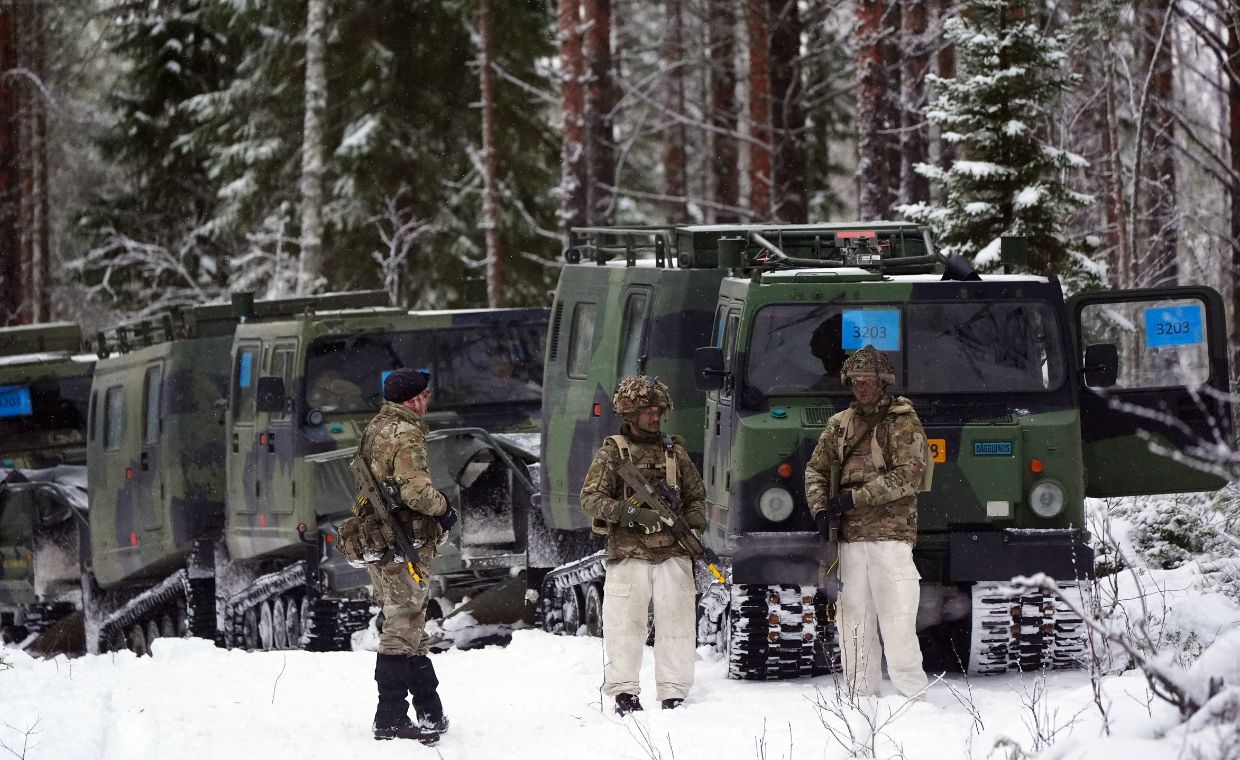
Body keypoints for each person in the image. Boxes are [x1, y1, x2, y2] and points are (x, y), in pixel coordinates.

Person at [804, 345, 930, 699]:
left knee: (898, 621)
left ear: (882, 382)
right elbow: (815, 469)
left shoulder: (901, 420)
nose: (862, 388)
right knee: (853, 625)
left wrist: (856, 497)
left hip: (890, 536)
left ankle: (913, 699)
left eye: (869, 381)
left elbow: (910, 473)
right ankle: (859, 698)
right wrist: (820, 510)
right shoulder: (839, 425)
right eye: (856, 381)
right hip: (848, 539)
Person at [580, 375, 707, 715]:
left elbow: (696, 498)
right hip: (628, 554)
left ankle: (674, 692)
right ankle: (624, 693)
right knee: (624, 625)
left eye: (659, 410)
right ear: (629, 412)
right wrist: (631, 514)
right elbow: (590, 499)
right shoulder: (612, 454)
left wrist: (690, 524)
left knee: (678, 626)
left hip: (673, 553)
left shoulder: (675, 453)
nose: (655, 416)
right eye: (647, 410)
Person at [356, 368, 459, 743]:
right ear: (415, 399)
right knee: (402, 627)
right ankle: (390, 717)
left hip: (380, 541)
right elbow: (415, 491)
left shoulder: (375, 428)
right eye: (425, 395)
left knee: (410, 623)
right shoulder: (407, 432)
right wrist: (445, 508)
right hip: (403, 543)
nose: (427, 401)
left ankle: (430, 711)